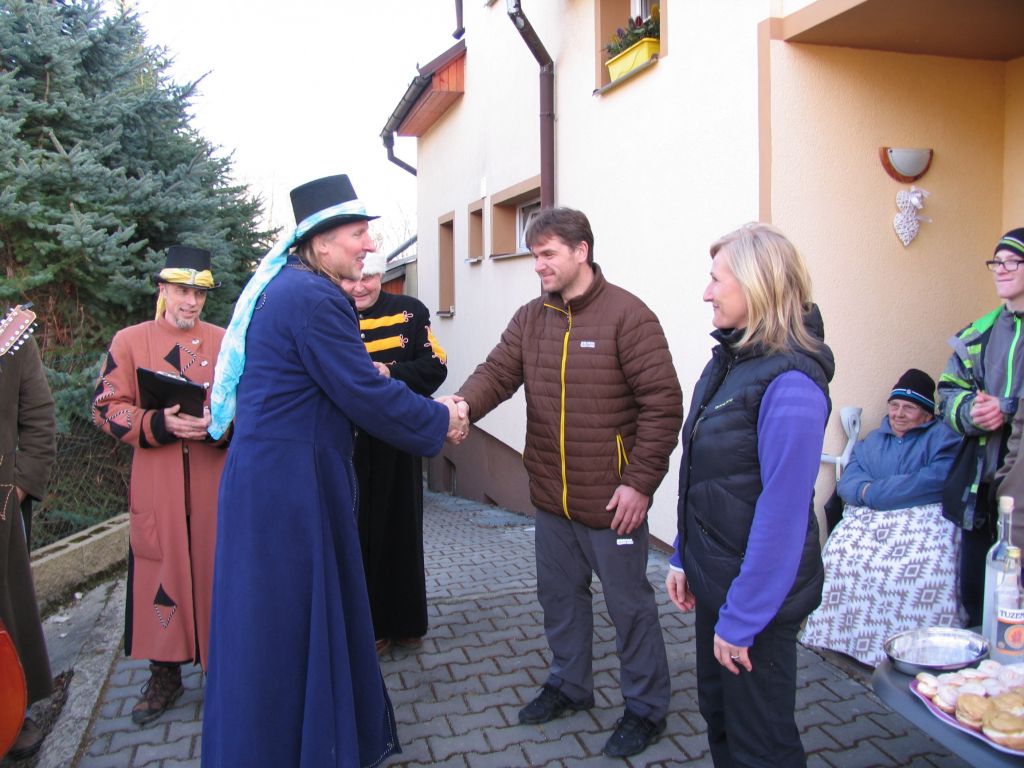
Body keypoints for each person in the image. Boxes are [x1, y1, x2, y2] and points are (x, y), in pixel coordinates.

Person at [200, 174, 466, 768]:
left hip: (271, 478)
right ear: (320, 242)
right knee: (293, 623)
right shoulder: (316, 299)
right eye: (357, 233)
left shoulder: (288, 288)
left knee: (273, 624)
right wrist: (440, 419)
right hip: (291, 486)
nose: (369, 245)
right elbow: (362, 392)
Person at [448, 207, 683, 759]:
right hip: (552, 497)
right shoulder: (532, 319)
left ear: (582, 251)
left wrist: (640, 483)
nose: (538, 265)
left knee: (629, 608)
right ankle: (570, 685)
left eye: (548, 254)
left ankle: (646, 708)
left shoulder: (629, 317)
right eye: (535, 255)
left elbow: (663, 405)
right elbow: (497, 373)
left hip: (613, 500)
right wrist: (461, 407)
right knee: (559, 597)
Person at [667, 223, 831, 767]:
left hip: (755, 604)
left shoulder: (791, 384)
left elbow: (782, 517)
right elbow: (708, 474)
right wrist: (683, 555)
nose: (706, 293)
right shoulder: (731, 361)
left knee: (761, 748)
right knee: (722, 727)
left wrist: (743, 618)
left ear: (758, 285)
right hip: (718, 585)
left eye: (717, 280)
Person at [92, 245, 227, 725]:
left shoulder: (225, 341)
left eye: (199, 293)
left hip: (214, 485)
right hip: (158, 487)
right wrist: (158, 422)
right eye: (182, 291)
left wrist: (219, 425)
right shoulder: (130, 341)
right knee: (160, 577)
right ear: (163, 290)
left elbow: (249, 402)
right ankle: (164, 675)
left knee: (219, 575)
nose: (191, 301)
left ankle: (223, 673)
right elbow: (106, 407)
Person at [800, 369, 963, 666]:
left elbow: (933, 480)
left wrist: (874, 491)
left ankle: (920, 654)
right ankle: (845, 640)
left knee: (927, 571)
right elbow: (849, 482)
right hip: (871, 523)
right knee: (839, 555)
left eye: (909, 408)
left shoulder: (944, 439)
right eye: (894, 405)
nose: (898, 414)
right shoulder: (873, 440)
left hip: (921, 524)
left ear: (927, 413)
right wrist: (876, 491)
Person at [340, 252, 448, 655]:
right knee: (358, 533)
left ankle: (407, 622)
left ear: (382, 276)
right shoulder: (331, 312)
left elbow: (435, 366)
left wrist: (391, 373)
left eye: (369, 277)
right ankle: (368, 626)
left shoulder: (410, 311)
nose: (360, 287)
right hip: (348, 442)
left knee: (402, 530)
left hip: (398, 440)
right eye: (353, 279)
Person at [938, 227, 1024, 627]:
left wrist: (1007, 409)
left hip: (1019, 487)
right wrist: (971, 412)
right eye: (996, 262)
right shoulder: (979, 333)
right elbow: (946, 394)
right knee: (977, 597)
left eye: (1012, 262)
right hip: (982, 488)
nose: (1000, 269)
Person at [0, 303, 56, 759]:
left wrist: (15, 488)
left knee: (6, 611)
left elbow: (39, 418)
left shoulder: (11, 335)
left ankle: (10, 714)